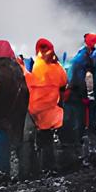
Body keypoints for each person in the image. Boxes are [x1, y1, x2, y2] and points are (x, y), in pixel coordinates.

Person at [0, 38, 30, 180]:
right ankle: (20, 175)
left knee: (1, 149)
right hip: (15, 119)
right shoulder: (17, 70)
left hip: (0, 119)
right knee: (15, 147)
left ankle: (2, 176)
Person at [25, 37, 67, 174]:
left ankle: (45, 167)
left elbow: (33, 84)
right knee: (50, 138)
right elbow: (63, 81)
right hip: (53, 106)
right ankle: (52, 166)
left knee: (43, 139)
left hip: (39, 108)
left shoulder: (38, 64)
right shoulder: (57, 65)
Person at [63, 32, 96, 165]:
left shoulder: (82, 56)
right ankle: (78, 154)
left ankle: (79, 150)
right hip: (75, 96)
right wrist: (84, 96)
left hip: (74, 94)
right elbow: (77, 80)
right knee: (79, 124)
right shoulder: (83, 59)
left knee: (79, 123)